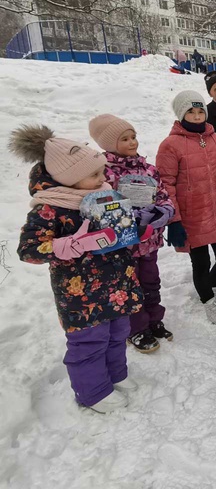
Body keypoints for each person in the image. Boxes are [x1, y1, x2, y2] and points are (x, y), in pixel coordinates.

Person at [12, 125, 143, 413]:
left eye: (101, 172)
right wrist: (65, 245)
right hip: (80, 293)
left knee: (118, 332)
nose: (103, 178)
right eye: (94, 175)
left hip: (116, 283)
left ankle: (115, 375)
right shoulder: (50, 208)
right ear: (69, 178)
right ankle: (93, 392)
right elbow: (29, 249)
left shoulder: (106, 194)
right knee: (89, 341)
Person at [89, 114, 175, 353]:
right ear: (108, 145)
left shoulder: (148, 169)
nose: (132, 142)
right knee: (130, 286)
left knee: (151, 280)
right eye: (124, 139)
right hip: (122, 246)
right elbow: (100, 206)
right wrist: (126, 218)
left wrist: (164, 211)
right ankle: (136, 328)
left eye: (133, 137)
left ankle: (154, 319)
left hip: (149, 240)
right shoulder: (103, 173)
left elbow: (162, 194)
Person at [157, 90, 216, 328]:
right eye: (190, 111)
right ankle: (209, 301)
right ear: (182, 114)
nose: (196, 115)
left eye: (200, 110)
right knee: (200, 263)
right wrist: (174, 220)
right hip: (192, 216)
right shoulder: (170, 145)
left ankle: (209, 287)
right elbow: (165, 185)